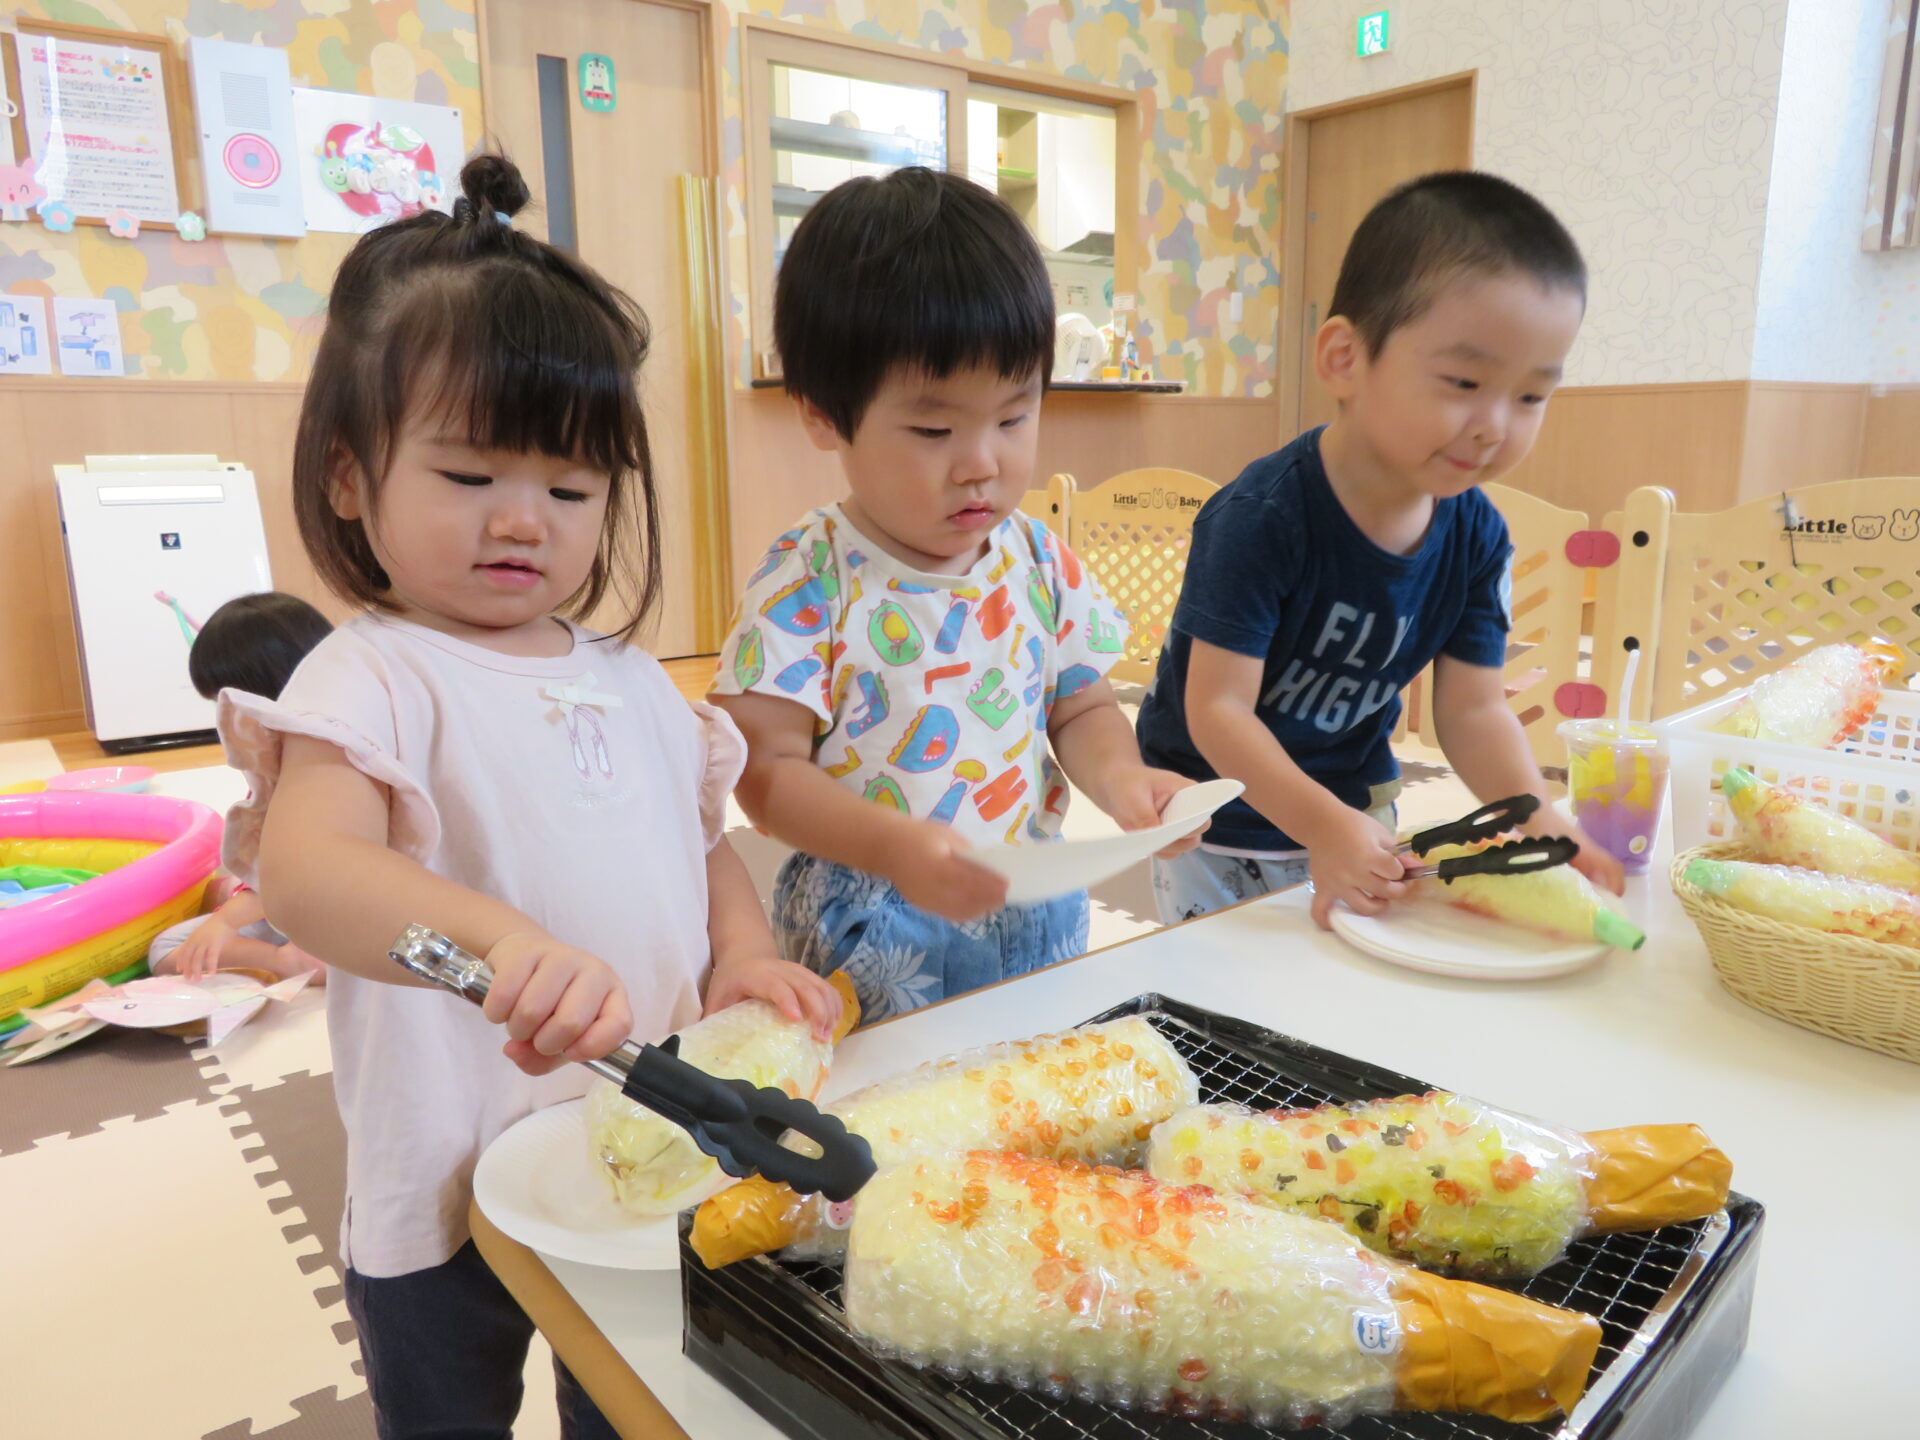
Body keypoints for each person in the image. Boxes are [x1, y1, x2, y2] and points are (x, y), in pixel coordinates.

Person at [215, 154, 842, 1440]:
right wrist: (500, 945)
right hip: (446, 1177)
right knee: (447, 1415)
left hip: (638, 1145)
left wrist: (745, 952)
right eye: (468, 478)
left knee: (633, 1397)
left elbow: (701, 839)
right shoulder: (371, 677)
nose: (524, 523)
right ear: (349, 478)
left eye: (570, 490)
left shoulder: (635, 679)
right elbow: (310, 872)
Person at [710, 166, 1198, 1024]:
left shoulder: (1037, 558)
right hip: (873, 921)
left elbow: (1077, 708)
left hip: (1033, 896)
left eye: (1014, 416)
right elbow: (765, 772)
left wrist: (1125, 783)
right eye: (935, 430)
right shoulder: (809, 577)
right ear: (824, 415)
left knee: (1029, 1084)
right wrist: (895, 847)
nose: (983, 462)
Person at [1135, 171, 1626, 928]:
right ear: (1344, 359)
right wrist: (1324, 828)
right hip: (1222, 826)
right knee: (1225, 1012)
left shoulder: (1477, 533)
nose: (1496, 424)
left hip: (1359, 812)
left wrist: (1541, 820)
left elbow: (1472, 709)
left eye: (1531, 396)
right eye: (1464, 381)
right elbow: (1218, 710)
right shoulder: (1260, 518)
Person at [149, 592, 335, 982]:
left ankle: (290, 963)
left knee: (167, 950)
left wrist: (228, 920)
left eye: (226, 706)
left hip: (337, 908)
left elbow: (307, 872)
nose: (223, 722)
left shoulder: (309, 768)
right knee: (215, 893)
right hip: (305, 899)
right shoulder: (298, 745)